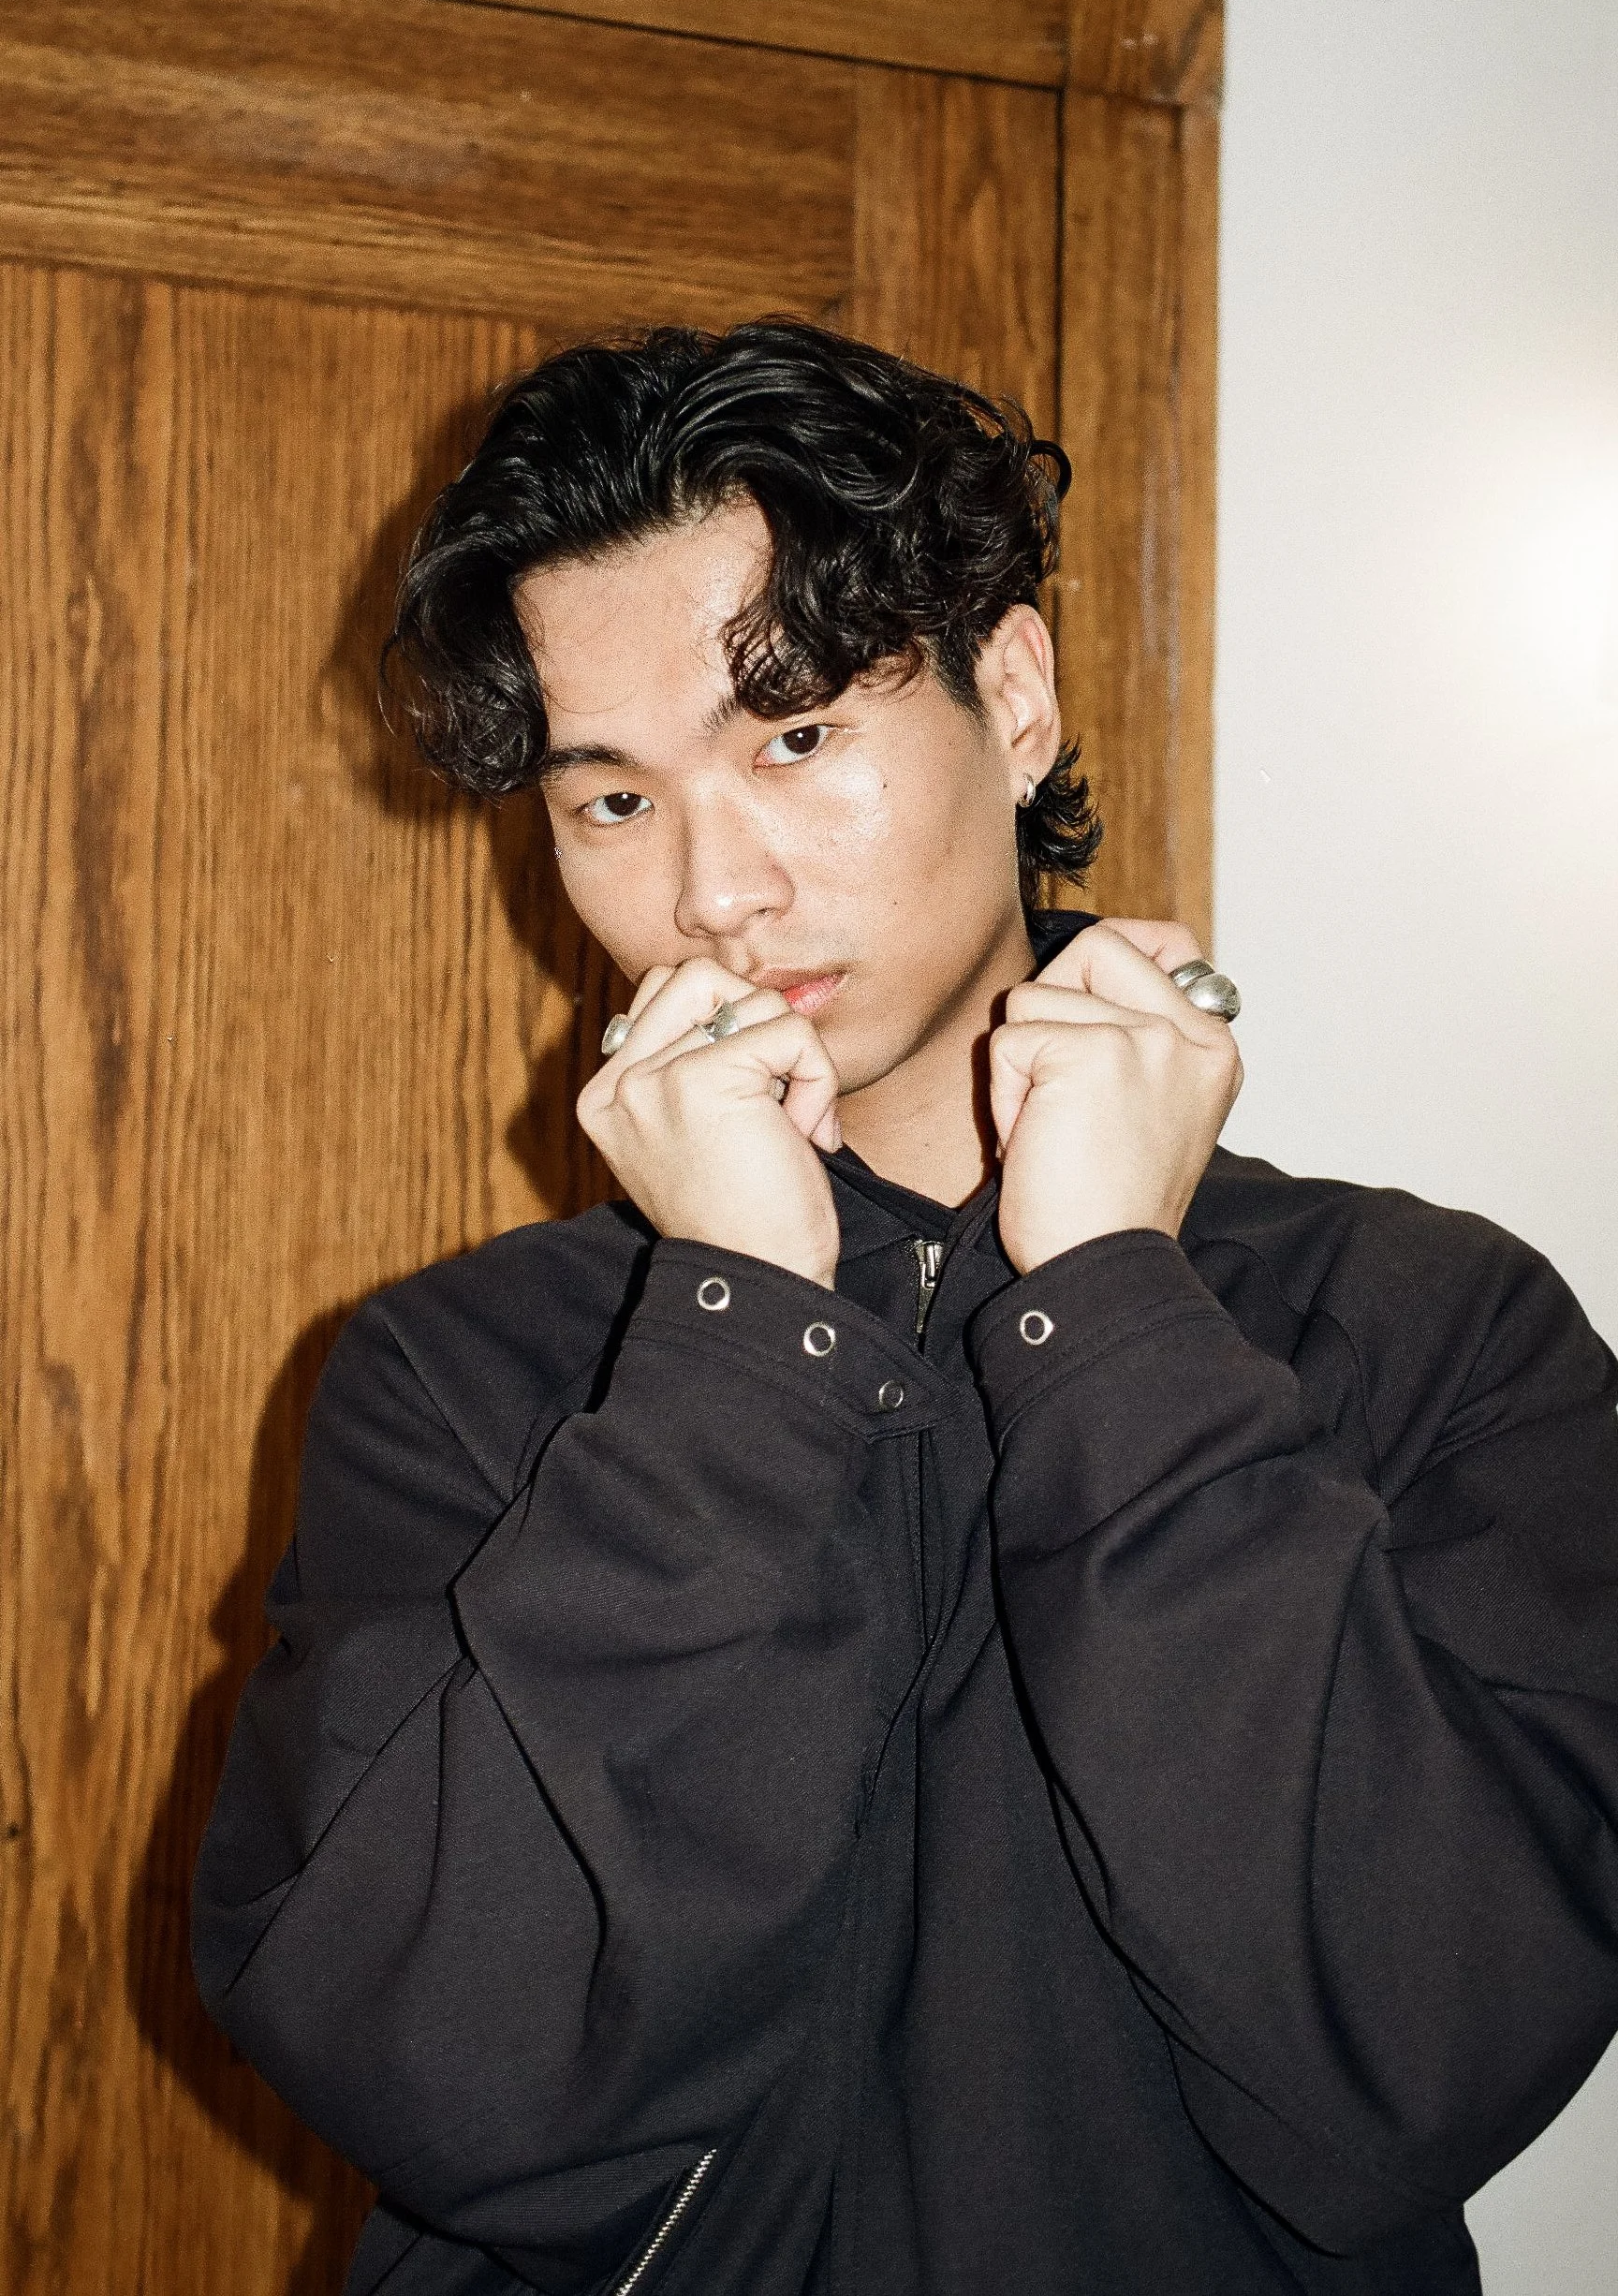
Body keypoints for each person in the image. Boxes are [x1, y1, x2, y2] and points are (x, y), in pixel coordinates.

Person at [193, 322, 1618, 2296]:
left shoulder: (1432, 1328)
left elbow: (1422, 2050)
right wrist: (733, 1345)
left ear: (1010, 696)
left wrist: (1118, 1306)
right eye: (613, 802)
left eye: (793, 739)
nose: (710, 889)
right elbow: (445, 2073)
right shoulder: (461, 1378)